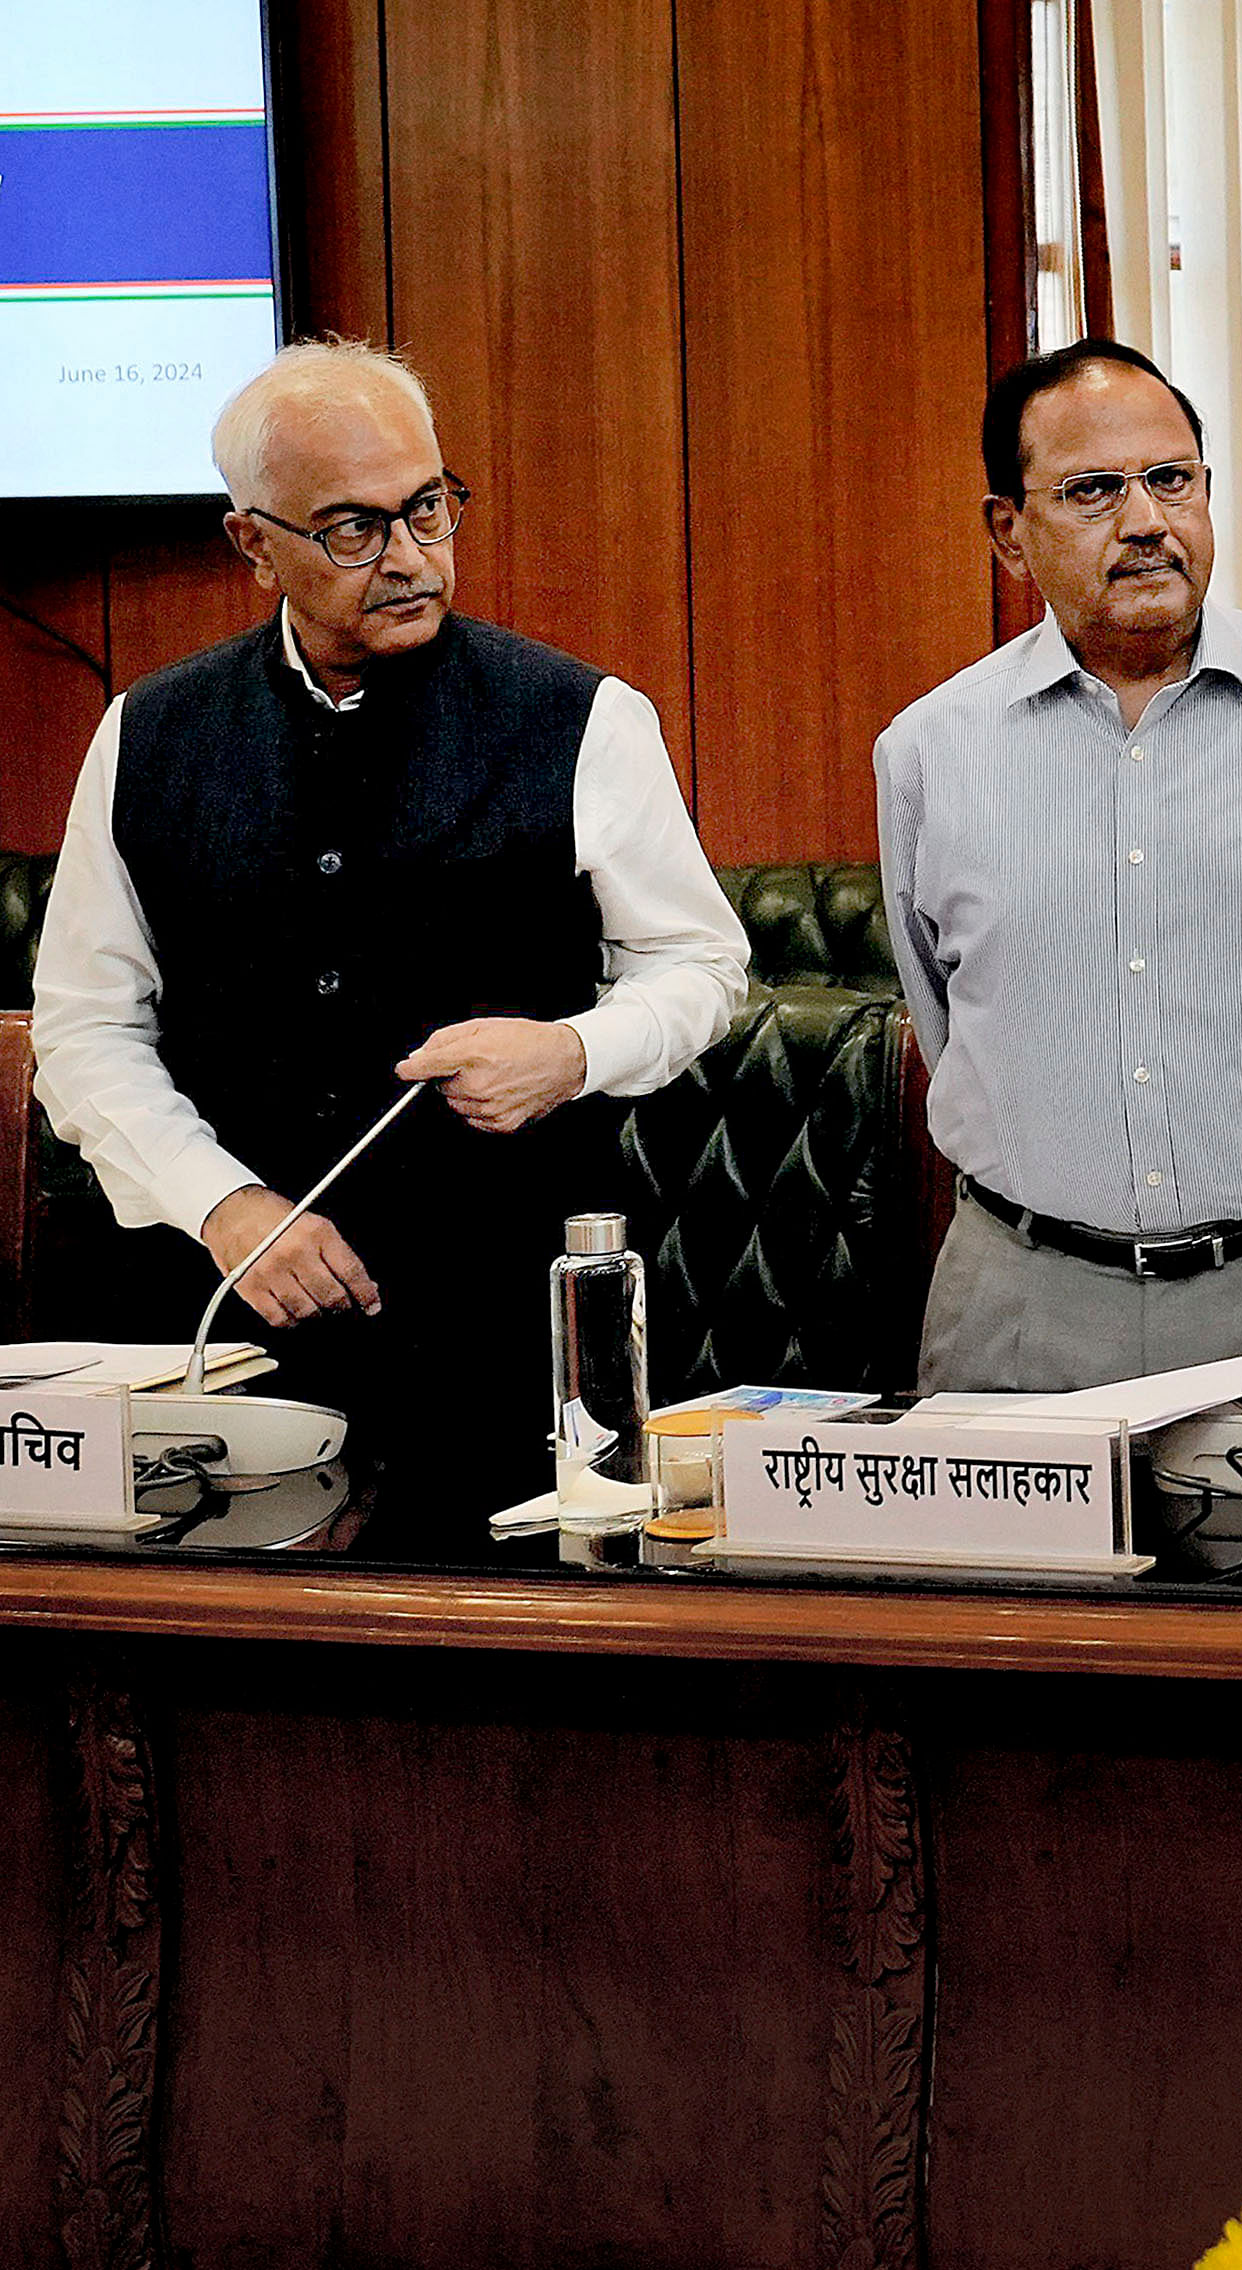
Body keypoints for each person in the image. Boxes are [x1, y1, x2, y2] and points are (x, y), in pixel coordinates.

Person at [32, 343, 750, 1480]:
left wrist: (570, 1050)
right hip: (220, 1322)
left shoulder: (582, 716)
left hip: (506, 1327)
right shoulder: (145, 736)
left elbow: (703, 968)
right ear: (253, 545)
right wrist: (223, 1205)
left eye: (428, 508)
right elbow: (82, 1029)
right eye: (354, 529)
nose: (412, 557)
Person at [874, 339, 1242, 1395]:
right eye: (1094, 490)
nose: (1146, 522)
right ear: (1009, 531)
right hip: (1023, 1310)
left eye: (1171, 481)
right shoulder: (927, 753)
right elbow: (946, 1019)